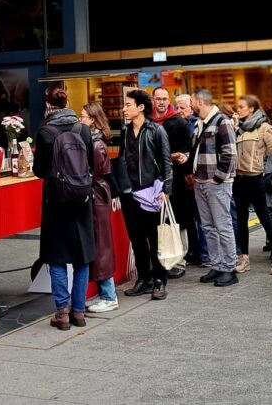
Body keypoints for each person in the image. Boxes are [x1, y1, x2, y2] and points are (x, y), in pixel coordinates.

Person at [33, 87, 95, 330]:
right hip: (82, 200)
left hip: (56, 201)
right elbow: (90, 164)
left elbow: (39, 171)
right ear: (68, 101)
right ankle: (79, 311)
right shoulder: (84, 129)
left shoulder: (45, 132)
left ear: (49, 105)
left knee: (56, 256)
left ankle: (62, 313)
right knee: (82, 256)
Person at [233, 95, 272, 276]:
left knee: (264, 218)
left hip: (255, 179)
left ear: (251, 109)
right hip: (239, 180)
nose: (238, 109)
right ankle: (244, 259)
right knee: (241, 220)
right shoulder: (238, 129)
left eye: (241, 107)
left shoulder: (264, 128)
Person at [119, 89, 173, 300]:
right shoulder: (124, 131)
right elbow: (123, 159)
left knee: (155, 238)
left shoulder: (156, 131)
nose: (124, 108)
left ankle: (160, 280)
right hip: (130, 194)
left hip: (152, 193)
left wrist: (166, 191)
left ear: (140, 107)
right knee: (136, 239)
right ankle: (143, 279)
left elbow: (167, 162)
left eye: (128, 105)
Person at [190, 88, 239, 287]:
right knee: (208, 227)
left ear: (200, 101)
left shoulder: (222, 121)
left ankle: (229, 268)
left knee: (223, 225)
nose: (190, 104)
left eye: (192, 100)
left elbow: (230, 153)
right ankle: (217, 264)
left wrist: (218, 178)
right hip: (200, 182)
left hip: (215, 183)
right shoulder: (199, 123)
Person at [80, 102, 120, 312]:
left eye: (83, 116)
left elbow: (94, 172)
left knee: (100, 243)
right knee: (99, 242)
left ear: (93, 120)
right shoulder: (94, 141)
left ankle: (109, 294)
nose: (80, 119)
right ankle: (105, 292)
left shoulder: (95, 144)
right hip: (98, 194)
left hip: (96, 195)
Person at [151, 87, 192, 279]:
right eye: (158, 98)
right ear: (152, 100)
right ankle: (161, 259)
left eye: (164, 99)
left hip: (176, 180)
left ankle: (179, 260)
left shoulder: (180, 122)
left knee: (177, 220)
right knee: (157, 222)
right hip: (152, 181)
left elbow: (189, 150)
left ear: (169, 101)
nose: (161, 102)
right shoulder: (147, 122)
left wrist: (183, 157)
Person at [175, 93, 207, 266]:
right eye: (177, 107)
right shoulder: (185, 125)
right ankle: (195, 251)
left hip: (195, 177)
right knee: (190, 217)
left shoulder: (195, 125)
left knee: (200, 217)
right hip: (185, 178)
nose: (179, 111)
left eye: (183, 107)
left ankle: (204, 253)